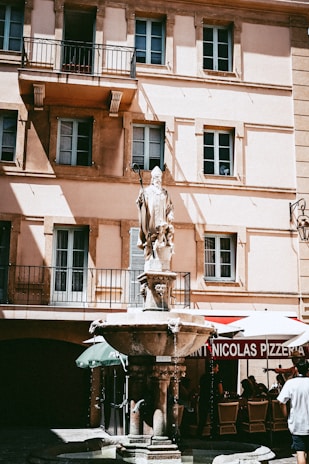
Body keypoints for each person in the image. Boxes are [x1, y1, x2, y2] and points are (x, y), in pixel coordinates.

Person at [136, 166, 174, 260]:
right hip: (151, 222)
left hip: (162, 222)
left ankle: (161, 248)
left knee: (163, 235)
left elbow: (169, 206)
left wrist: (170, 214)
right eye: (156, 177)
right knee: (150, 239)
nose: (158, 180)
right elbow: (141, 204)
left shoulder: (165, 193)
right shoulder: (147, 191)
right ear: (152, 179)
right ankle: (149, 253)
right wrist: (141, 199)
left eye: (159, 177)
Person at [277, 360, 309, 464]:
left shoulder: (290, 383)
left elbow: (281, 402)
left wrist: (285, 415)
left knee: (300, 452)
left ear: (296, 369)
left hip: (297, 424)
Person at [196, 361, 224, 438]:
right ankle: (213, 434)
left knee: (202, 418)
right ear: (214, 367)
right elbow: (221, 390)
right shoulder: (217, 377)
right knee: (214, 418)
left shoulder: (203, 377)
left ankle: (199, 434)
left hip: (203, 399)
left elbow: (199, 389)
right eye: (217, 368)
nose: (218, 370)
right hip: (213, 399)